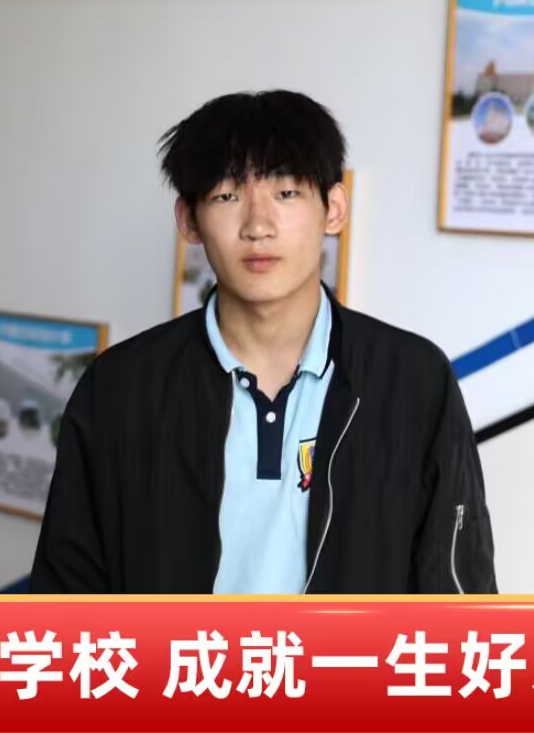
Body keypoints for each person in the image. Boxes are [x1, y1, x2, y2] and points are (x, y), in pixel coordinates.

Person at [30, 90, 497, 594]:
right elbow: (67, 598)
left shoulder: (414, 381)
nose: (258, 226)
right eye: (226, 196)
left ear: (334, 209)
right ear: (188, 221)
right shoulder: (120, 388)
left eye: (287, 193)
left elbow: (457, 595)